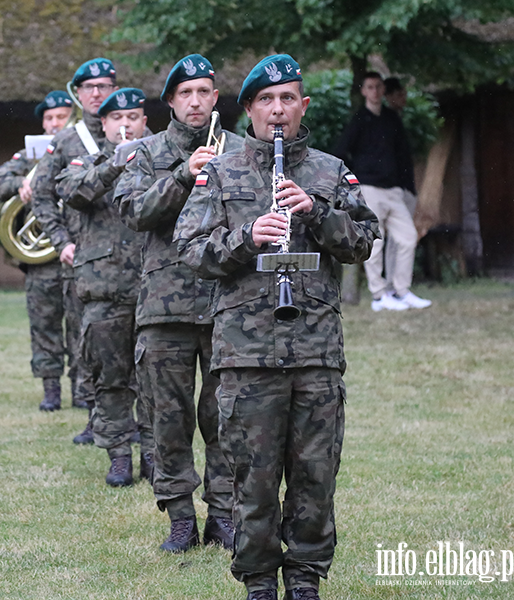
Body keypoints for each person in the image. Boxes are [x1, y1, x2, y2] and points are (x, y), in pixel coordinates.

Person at [174, 54, 379, 600]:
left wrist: (315, 212)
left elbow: (362, 240)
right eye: (266, 100)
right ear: (249, 109)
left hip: (315, 352)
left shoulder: (331, 171)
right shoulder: (220, 172)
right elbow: (189, 250)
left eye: (288, 98)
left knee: (316, 476)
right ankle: (260, 579)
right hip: (246, 356)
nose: (278, 109)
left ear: (303, 105)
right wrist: (247, 238)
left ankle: (306, 576)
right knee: (254, 479)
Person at [114, 54, 241, 552]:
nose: (195, 101)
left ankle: (224, 515)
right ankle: (181, 518)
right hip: (164, 310)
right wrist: (183, 175)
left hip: (225, 304)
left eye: (204, 92)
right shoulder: (145, 152)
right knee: (167, 419)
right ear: (170, 101)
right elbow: (133, 211)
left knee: (225, 416)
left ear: (216, 98)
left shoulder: (241, 149)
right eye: (185, 93)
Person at [55, 87, 150, 486]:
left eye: (133, 118)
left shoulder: (161, 164)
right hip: (104, 291)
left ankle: (154, 455)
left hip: (153, 290)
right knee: (109, 377)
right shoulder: (85, 162)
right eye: (117, 119)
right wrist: (115, 164)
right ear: (105, 124)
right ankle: (117, 456)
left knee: (156, 382)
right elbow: (72, 191)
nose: (125, 125)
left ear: (146, 123)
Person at [30, 58, 119, 444]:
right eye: (90, 88)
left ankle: (136, 424)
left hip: (134, 261)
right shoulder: (66, 141)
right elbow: (42, 195)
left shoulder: (135, 133)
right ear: (78, 95)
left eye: (104, 86)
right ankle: (96, 418)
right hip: (84, 262)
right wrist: (61, 241)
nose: (97, 94)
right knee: (87, 341)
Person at [0, 91, 79, 412]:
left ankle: (83, 389)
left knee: (82, 325)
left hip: (78, 252)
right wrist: (20, 184)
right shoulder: (29, 155)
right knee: (44, 325)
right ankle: (51, 389)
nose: (55, 123)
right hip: (41, 260)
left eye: (61, 117)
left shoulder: (83, 150)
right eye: (49, 119)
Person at [332, 71, 430, 311]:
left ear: (383, 90)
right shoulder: (359, 119)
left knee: (407, 237)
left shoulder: (391, 119)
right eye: (370, 87)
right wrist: (355, 182)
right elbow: (341, 152)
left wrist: (403, 183)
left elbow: (402, 154)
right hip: (369, 188)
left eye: (378, 87)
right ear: (364, 91)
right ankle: (379, 295)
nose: (375, 91)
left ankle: (401, 290)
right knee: (376, 241)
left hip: (393, 189)